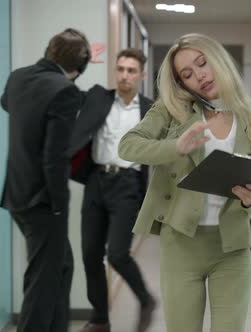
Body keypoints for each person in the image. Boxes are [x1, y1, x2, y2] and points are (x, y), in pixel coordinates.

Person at [118, 33, 251, 332]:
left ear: (218, 60)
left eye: (202, 64)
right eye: (187, 74)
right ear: (182, 84)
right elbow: (128, 146)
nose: (199, 75)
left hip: (233, 250)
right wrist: (174, 147)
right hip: (181, 247)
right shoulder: (170, 112)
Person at [0, 28, 91, 332]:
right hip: (43, 201)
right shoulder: (66, 92)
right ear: (78, 68)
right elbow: (55, 158)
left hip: (16, 194)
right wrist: (59, 207)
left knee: (62, 266)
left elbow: (6, 104)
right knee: (42, 281)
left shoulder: (17, 77)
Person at [69, 48, 156, 332]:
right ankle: (100, 319)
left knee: (117, 253)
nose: (124, 76)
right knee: (90, 254)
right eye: (120, 69)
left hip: (128, 185)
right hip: (96, 180)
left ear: (141, 75)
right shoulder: (98, 97)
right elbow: (68, 98)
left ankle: (145, 300)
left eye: (131, 71)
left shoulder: (150, 109)